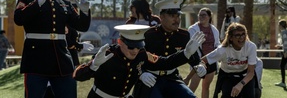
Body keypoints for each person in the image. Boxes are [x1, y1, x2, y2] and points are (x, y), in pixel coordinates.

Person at [14, 0, 91, 98]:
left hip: (61, 60)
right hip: (36, 60)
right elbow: (19, 19)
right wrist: (38, 3)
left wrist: (85, 11)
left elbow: (82, 26)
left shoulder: (64, 3)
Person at [73, 24, 206, 98]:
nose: (135, 50)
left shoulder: (142, 55)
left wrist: (186, 53)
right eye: (131, 46)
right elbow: (77, 76)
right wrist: (94, 65)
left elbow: (164, 63)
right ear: (120, 42)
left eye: (139, 46)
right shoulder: (107, 55)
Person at [134, 0, 205, 98]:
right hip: (151, 78)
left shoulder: (183, 35)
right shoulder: (148, 35)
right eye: (172, 16)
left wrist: (201, 66)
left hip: (172, 78)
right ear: (162, 17)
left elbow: (194, 59)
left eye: (178, 16)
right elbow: (136, 58)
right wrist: (141, 74)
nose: (176, 19)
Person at [202, 22, 257, 98]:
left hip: (245, 75)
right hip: (227, 76)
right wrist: (188, 78)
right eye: (237, 35)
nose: (241, 37)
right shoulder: (222, 50)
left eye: (243, 34)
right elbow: (203, 60)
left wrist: (240, 84)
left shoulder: (251, 47)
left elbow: (251, 72)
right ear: (230, 37)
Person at [184, 7, 220, 98]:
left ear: (209, 16)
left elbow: (217, 44)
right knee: (192, 87)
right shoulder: (193, 29)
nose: (201, 16)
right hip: (198, 61)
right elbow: (192, 47)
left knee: (206, 87)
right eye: (200, 15)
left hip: (211, 61)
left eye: (204, 15)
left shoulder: (214, 30)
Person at [274, 19, 287, 88]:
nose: (278, 26)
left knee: (282, 66)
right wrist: (280, 46)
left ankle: (283, 82)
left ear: (281, 26)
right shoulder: (286, 31)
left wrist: (285, 52)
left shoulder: (283, 32)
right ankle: (283, 82)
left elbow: (286, 43)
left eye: (279, 25)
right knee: (282, 66)